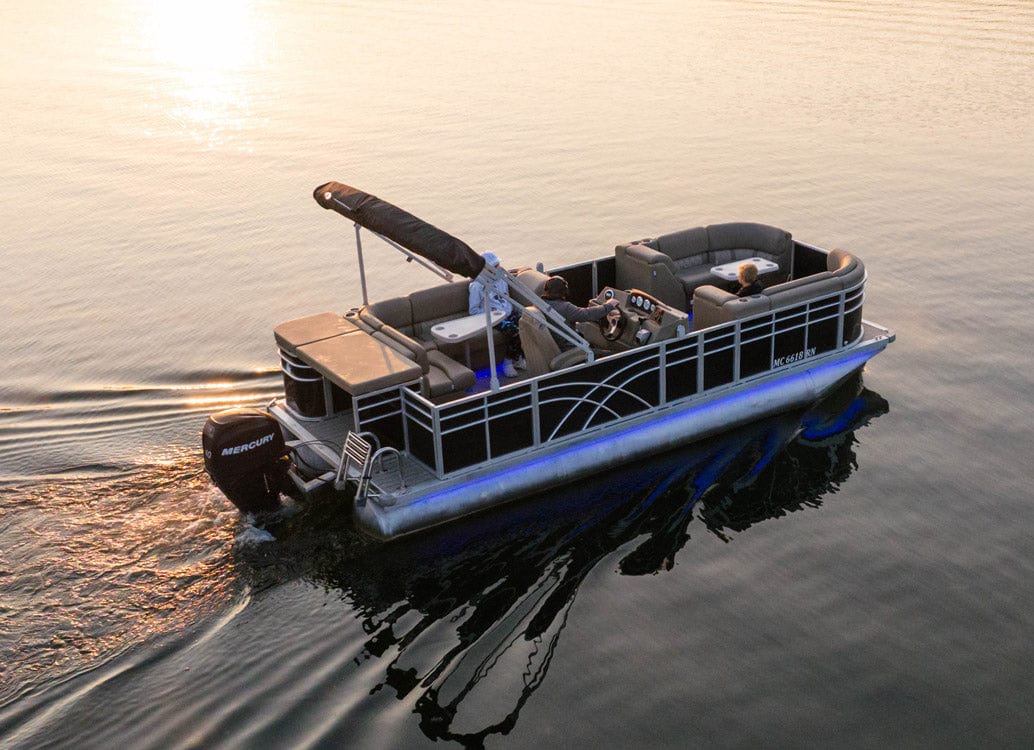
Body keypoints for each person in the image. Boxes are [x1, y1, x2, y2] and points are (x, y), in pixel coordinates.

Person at [469, 252, 525, 377]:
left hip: (508, 312)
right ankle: (508, 362)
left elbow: (506, 297)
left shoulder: (501, 279)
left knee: (527, 324)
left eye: (498, 265)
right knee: (514, 332)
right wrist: (491, 312)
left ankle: (518, 358)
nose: (497, 268)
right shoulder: (477, 286)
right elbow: (473, 311)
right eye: (494, 266)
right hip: (493, 318)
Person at [539, 276, 619, 349]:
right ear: (564, 291)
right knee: (610, 353)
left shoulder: (540, 303)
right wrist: (609, 305)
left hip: (559, 343)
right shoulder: (565, 307)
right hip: (571, 348)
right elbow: (587, 314)